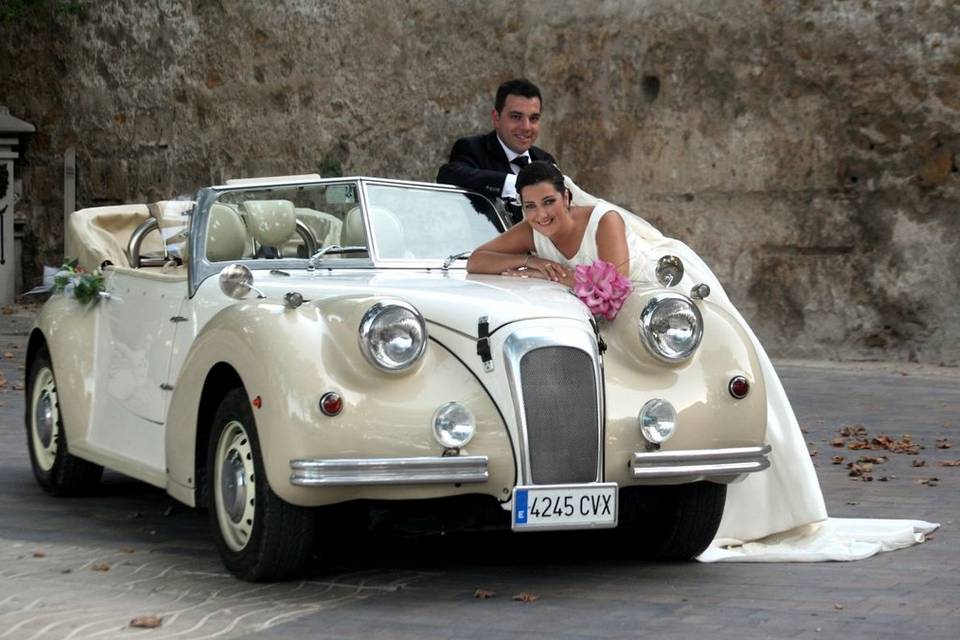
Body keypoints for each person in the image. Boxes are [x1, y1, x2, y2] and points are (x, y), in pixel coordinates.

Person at [469, 161, 938, 562]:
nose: (541, 215)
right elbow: (477, 260)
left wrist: (564, 273)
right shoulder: (534, 229)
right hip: (596, 311)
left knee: (708, 372)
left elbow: (610, 286)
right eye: (530, 207)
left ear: (566, 197)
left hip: (655, 297)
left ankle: (741, 505)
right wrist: (528, 265)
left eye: (549, 203)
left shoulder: (604, 221)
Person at [437, 78, 558, 224]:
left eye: (533, 118)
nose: (526, 127)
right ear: (496, 118)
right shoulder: (473, 148)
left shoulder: (545, 159)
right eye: (516, 117)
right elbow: (448, 175)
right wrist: (512, 183)